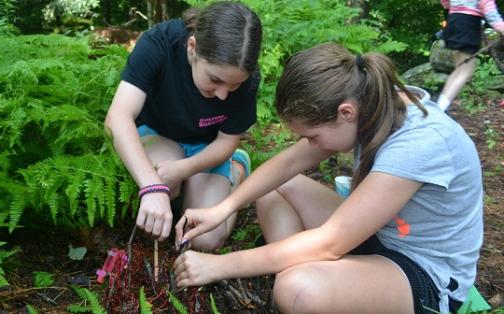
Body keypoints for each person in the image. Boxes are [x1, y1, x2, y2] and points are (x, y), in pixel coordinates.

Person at [173, 43, 483, 314]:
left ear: (346, 113)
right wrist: (222, 209)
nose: (312, 145)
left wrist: (218, 266)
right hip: (382, 235)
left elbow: (332, 242)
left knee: (297, 290)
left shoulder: (420, 143)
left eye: (313, 136)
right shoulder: (370, 102)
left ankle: (311, 279)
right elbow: (287, 165)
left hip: (424, 273)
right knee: (275, 187)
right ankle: (316, 274)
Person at [104, 1, 262, 251]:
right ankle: (182, 190)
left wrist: (185, 168)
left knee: (204, 239)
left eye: (234, 86)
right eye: (215, 79)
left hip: (207, 148)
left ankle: (235, 172)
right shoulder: (159, 43)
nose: (223, 95)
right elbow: (118, 117)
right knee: (163, 186)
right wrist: (151, 186)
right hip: (159, 134)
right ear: (192, 47)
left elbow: (227, 140)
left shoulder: (247, 75)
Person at [437, 0, 504, 111]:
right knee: (466, 73)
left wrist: (453, 6)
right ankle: (439, 110)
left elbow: (444, 1)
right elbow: (491, 14)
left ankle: (439, 106)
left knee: (458, 70)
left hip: (453, 21)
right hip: (467, 25)